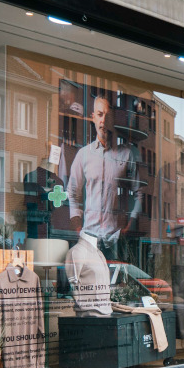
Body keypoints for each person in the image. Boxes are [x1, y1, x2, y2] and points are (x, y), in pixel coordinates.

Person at [67, 96, 143, 259]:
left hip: (115, 240)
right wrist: (78, 228)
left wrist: (130, 226)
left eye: (108, 116)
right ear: (93, 117)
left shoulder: (126, 154)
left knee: (116, 283)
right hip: (89, 239)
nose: (104, 120)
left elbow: (140, 194)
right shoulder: (84, 155)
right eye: (100, 114)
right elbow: (72, 193)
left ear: (113, 119)